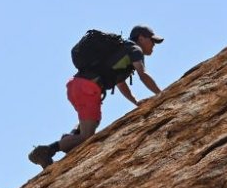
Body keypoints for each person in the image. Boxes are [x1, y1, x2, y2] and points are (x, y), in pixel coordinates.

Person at [29, 25, 165, 169]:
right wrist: (161, 94)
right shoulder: (134, 50)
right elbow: (142, 74)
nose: (153, 45)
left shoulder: (121, 51)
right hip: (88, 88)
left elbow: (120, 83)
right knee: (87, 136)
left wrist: (136, 101)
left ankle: (69, 137)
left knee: (85, 128)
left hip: (76, 85)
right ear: (141, 38)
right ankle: (48, 151)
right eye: (152, 41)